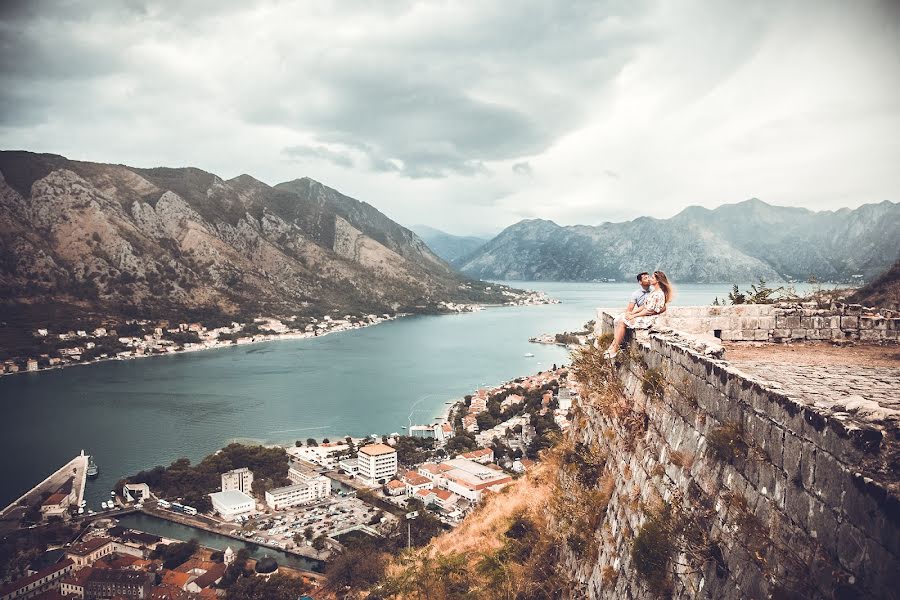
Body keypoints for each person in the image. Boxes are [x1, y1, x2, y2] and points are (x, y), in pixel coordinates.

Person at [605, 271, 674, 359]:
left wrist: (633, 316)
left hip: (650, 319)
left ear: (657, 281)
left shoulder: (658, 293)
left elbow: (648, 311)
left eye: (652, 278)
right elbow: (644, 306)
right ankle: (614, 345)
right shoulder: (654, 292)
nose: (650, 279)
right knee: (621, 318)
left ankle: (614, 349)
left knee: (622, 322)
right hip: (646, 316)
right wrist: (632, 313)